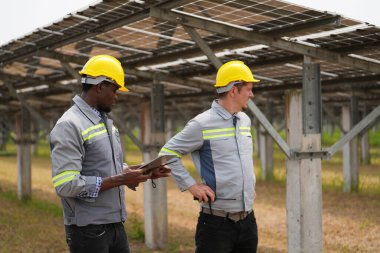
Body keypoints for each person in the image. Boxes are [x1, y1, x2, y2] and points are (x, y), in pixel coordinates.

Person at [49, 54, 170, 253]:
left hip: (114, 224)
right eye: (115, 89)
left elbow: (103, 167)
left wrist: (139, 172)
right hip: (87, 230)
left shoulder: (105, 123)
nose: (117, 95)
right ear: (100, 86)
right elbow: (65, 184)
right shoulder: (70, 125)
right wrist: (121, 179)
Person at [159, 60, 259, 253]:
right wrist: (191, 185)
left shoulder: (244, 120)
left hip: (248, 221)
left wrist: (247, 187)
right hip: (216, 225)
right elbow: (168, 153)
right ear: (233, 90)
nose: (251, 94)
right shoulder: (201, 124)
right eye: (248, 89)